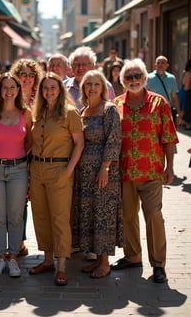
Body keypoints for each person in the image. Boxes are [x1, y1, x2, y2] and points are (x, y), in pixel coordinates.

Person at [111, 58, 179, 283]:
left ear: (144, 79)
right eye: (128, 77)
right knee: (128, 217)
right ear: (122, 81)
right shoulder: (116, 105)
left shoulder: (159, 103)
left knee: (154, 216)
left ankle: (158, 264)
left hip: (151, 171)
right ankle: (132, 256)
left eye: (137, 76)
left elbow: (168, 137)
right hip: (125, 172)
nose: (133, 80)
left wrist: (170, 167)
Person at [29, 72, 84, 286]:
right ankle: (47, 260)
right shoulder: (39, 112)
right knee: (41, 217)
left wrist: (69, 170)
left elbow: (79, 143)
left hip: (59, 169)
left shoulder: (69, 113)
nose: (49, 91)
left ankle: (61, 267)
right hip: (37, 169)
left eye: (53, 87)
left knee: (60, 219)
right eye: (45, 88)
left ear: (60, 89)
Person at [0, 72, 32, 277]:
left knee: (16, 216)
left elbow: (31, 139)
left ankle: (13, 259)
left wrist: (21, 157)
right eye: (5, 87)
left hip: (18, 169)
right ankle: (1, 257)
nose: (9, 91)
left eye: (13, 87)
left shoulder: (25, 112)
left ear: (18, 90)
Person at [72, 70, 123, 278]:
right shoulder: (83, 111)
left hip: (103, 172)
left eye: (96, 84)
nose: (92, 88)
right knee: (90, 213)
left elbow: (114, 140)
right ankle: (96, 259)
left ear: (103, 88)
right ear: (83, 88)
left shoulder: (109, 110)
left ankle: (104, 263)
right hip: (84, 174)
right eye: (88, 84)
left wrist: (105, 167)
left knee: (103, 215)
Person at [10, 58, 42, 255]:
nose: (27, 78)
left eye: (31, 74)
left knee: (35, 199)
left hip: (38, 154)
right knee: (18, 200)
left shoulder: (41, 97)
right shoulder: (10, 95)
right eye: (23, 74)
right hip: (15, 154)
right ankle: (18, 242)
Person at [147, 55, 183, 126]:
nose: (160, 65)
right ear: (155, 65)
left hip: (167, 111)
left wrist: (178, 113)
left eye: (163, 63)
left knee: (168, 134)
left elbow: (174, 97)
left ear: (167, 65)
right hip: (153, 111)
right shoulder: (148, 78)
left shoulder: (171, 78)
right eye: (158, 63)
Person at [180, 59, 191, 130]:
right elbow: (187, 87)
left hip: (184, 92)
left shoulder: (185, 72)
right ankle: (186, 123)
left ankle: (184, 122)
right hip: (187, 94)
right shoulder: (189, 74)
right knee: (186, 108)